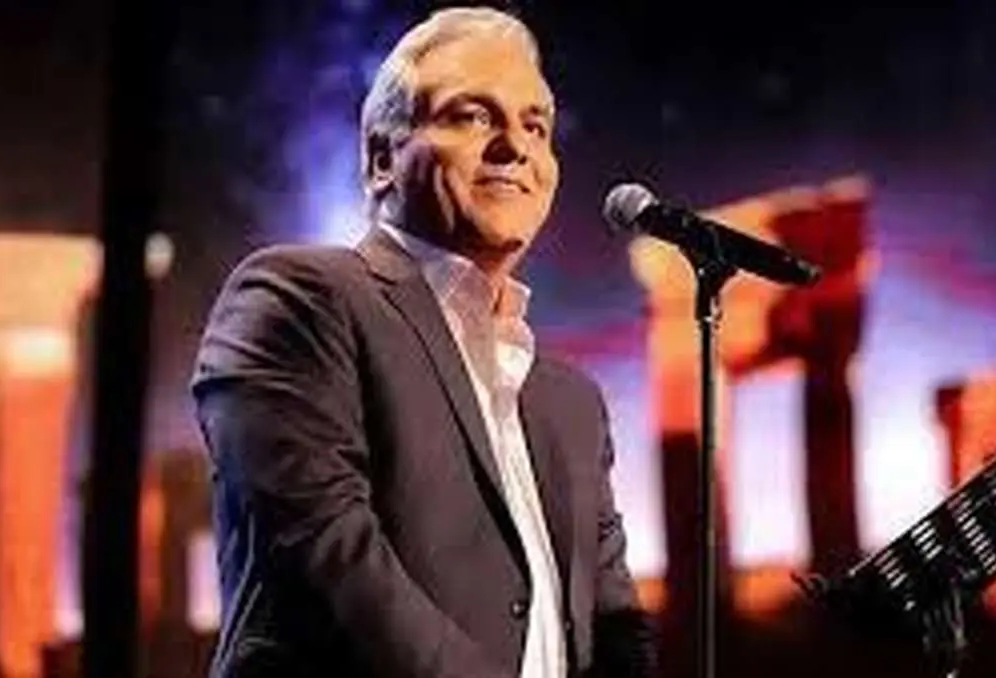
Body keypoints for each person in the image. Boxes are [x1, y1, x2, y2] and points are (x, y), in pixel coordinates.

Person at [190, 6, 655, 678]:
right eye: (473, 116)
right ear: (382, 159)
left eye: (535, 125)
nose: (516, 146)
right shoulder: (297, 300)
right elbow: (332, 561)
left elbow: (614, 625)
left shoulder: (572, 403)